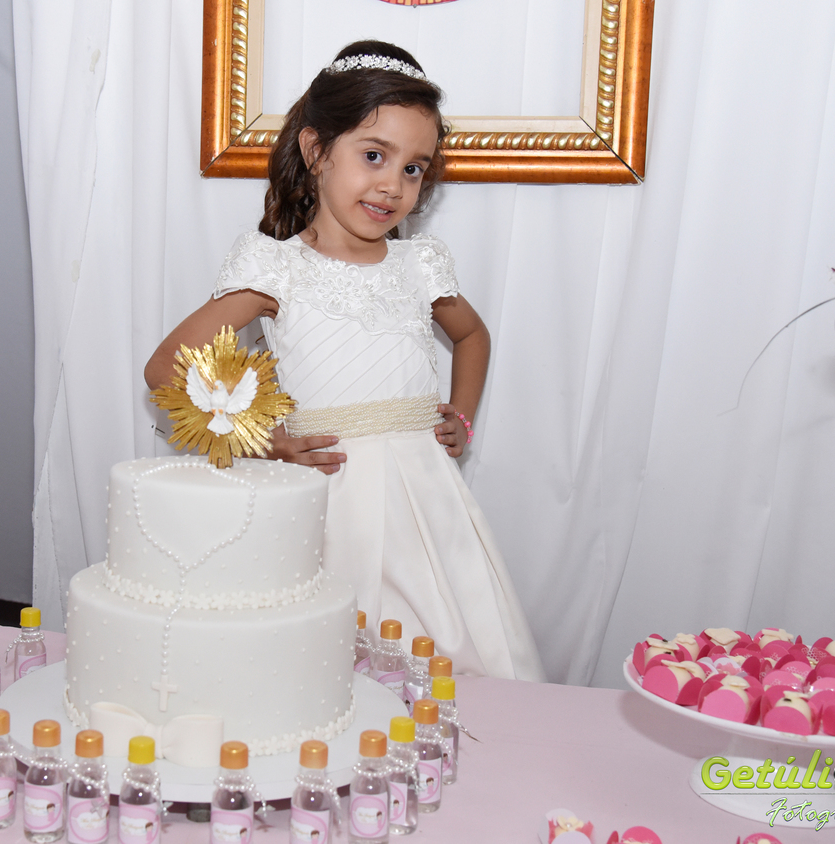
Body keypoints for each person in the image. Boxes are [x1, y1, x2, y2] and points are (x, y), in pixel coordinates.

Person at [146, 40, 542, 681]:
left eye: (414, 169)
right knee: (323, 673)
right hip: (328, 503)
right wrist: (263, 440)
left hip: (426, 510)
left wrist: (462, 418)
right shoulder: (276, 268)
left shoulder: (420, 265)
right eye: (374, 156)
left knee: (448, 666)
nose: (392, 185)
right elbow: (167, 364)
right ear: (316, 150)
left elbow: (473, 336)